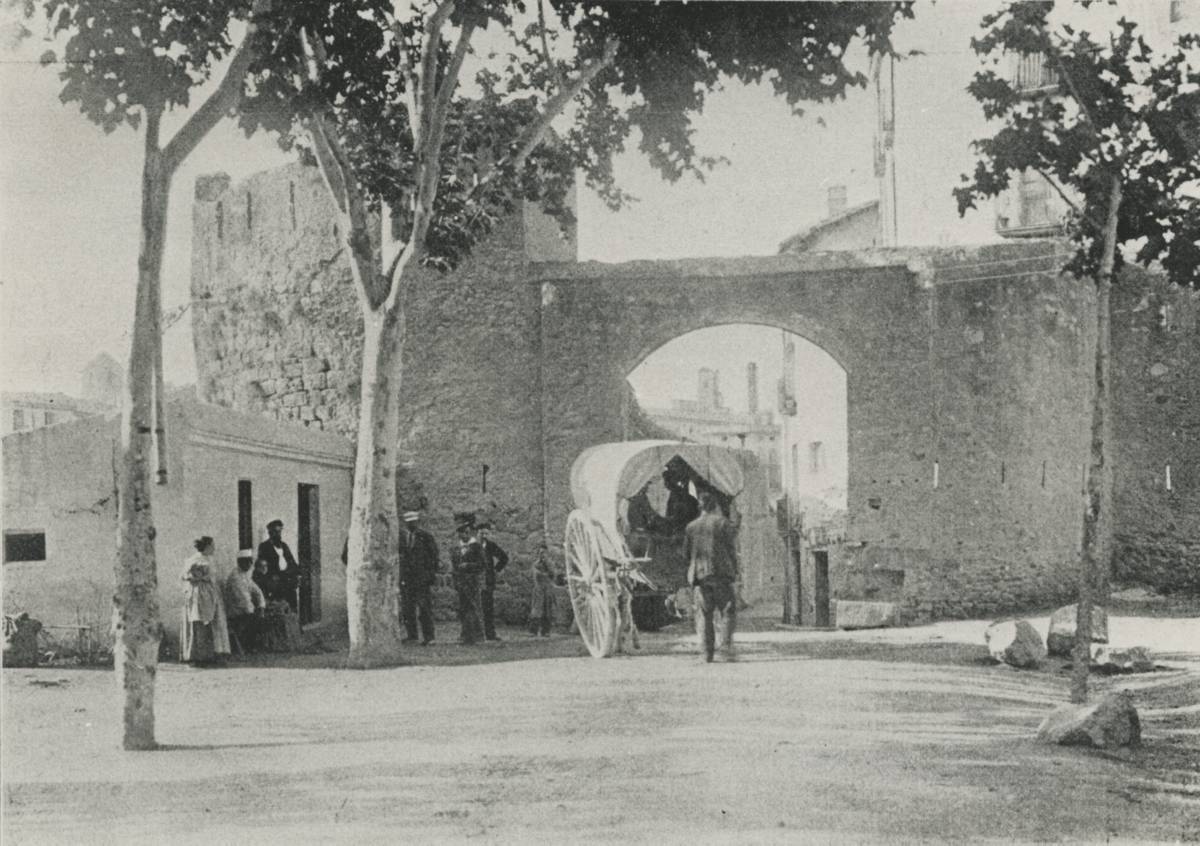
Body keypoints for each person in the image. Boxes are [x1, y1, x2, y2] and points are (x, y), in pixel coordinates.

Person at [684, 491, 739, 663]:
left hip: (700, 577)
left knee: (705, 614)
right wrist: (735, 570)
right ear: (715, 506)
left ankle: (707, 654)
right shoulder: (723, 523)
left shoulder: (691, 527)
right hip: (721, 574)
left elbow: (686, 553)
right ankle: (726, 649)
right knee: (728, 610)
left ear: (700, 507)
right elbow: (732, 550)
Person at [180, 536, 231, 666]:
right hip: (200, 593)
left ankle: (212, 654)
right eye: (212, 546)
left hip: (210, 593)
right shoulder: (195, 560)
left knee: (212, 622)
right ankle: (198, 656)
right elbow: (186, 576)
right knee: (200, 622)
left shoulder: (209, 560)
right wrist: (199, 579)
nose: (214, 548)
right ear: (207, 546)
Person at [399, 510, 440, 645]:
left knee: (424, 608)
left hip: (422, 579)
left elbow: (434, 557)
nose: (411, 525)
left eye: (414, 522)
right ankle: (412, 635)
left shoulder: (426, 537)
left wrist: (430, 575)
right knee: (407, 608)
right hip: (407, 579)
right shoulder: (401, 538)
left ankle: (429, 637)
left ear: (417, 522)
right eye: (409, 523)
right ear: (405, 523)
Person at [449, 513, 485, 645]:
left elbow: (482, 565)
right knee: (463, 609)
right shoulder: (456, 549)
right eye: (461, 534)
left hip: (472, 582)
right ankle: (465, 633)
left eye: (466, 533)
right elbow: (454, 566)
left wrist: (468, 565)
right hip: (461, 583)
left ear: (469, 533)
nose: (463, 536)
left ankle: (473, 636)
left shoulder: (476, 547)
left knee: (472, 608)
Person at [224, 549, 267, 654]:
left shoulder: (244, 575)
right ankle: (250, 646)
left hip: (245, 609)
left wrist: (261, 606)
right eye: (247, 561)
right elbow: (243, 601)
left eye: (250, 561)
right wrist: (256, 612)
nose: (250, 564)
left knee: (262, 617)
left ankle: (254, 645)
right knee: (256, 620)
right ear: (240, 562)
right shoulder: (235, 578)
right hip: (236, 611)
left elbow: (257, 591)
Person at [257, 519, 301, 613]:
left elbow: (292, 562)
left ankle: (293, 622)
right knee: (280, 607)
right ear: (270, 533)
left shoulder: (284, 546)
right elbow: (262, 566)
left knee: (292, 602)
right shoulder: (264, 547)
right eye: (275, 532)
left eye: (279, 531)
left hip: (287, 579)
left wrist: (297, 574)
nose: (278, 534)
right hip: (275, 581)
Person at [477, 522, 509, 642]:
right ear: (477, 533)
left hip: (487, 581)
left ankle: (490, 634)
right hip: (475, 581)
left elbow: (504, 558)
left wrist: (495, 570)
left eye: (486, 533)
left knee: (488, 608)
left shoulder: (491, 546)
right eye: (481, 533)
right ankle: (476, 633)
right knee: (474, 608)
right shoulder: (473, 545)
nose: (484, 535)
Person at [527, 543, 556, 638]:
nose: (541, 554)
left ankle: (546, 630)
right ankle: (533, 630)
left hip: (547, 589)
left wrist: (546, 564)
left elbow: (552, 575)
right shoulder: (536, 564)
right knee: (536, 609)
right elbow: (535, 574)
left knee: (547, 610)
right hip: (538, 589)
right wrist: (542, 573)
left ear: (547, 553)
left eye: (543, 552)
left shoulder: (550, 563)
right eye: (539, 552)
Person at [664, 469, 700, 534]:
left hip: (683, 527)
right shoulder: (673, 495)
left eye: (667, 481)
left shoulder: (679, 495)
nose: (665, 484)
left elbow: (677, 515)